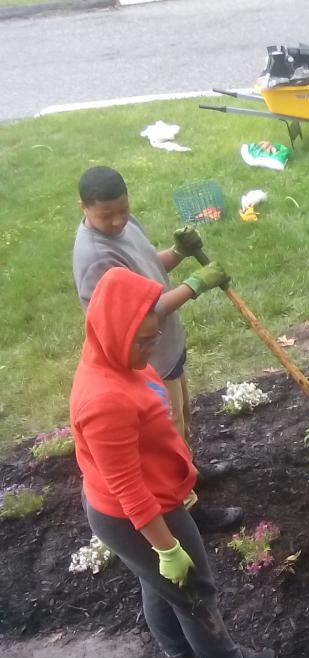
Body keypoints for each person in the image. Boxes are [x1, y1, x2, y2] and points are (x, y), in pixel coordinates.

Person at [70, 267, 277, 658]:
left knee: (159, 589)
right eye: (143, 341)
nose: (151, 347)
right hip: (141, 514)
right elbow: (127, 487)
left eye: (154, 336)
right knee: (193, 592)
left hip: (140, 506)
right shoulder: (104, 399)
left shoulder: (113, 354)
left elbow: (151, 310)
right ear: (114, 330)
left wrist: (194, 286)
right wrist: (166, 547)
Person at [72, 166, 242, 532]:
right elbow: (142, 315)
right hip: (143, 358)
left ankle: (189, 473)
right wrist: (195, 284)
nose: (118, 221)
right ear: (83, 207)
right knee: (165, 435)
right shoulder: (95, 258)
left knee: (181, 416)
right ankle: (188, 511)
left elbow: (146, 271)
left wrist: (178, 254)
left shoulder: (124, 223)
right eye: (107, 215)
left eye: (123, 209)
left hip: (166, 349)